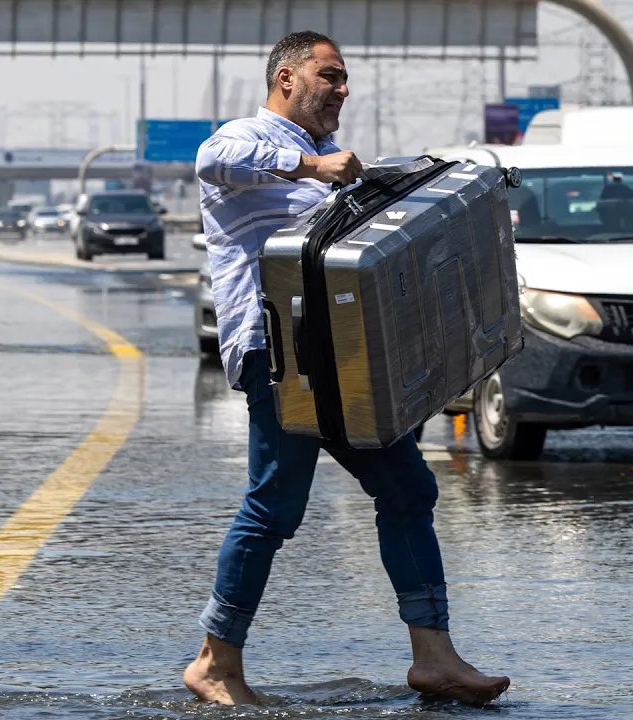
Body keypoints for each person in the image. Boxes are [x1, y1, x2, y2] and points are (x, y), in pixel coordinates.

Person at [182, 31, 511, 706]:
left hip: (344, 358)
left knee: (408, 490)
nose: (342, 89)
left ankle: (435, 657)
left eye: (343, 78)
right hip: (279, 354)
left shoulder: (332, 164)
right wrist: (312, 166)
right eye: (329, 76)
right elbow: (213, 159)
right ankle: (214, 661)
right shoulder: (249, 139)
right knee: (274, 505)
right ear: (286, 79)